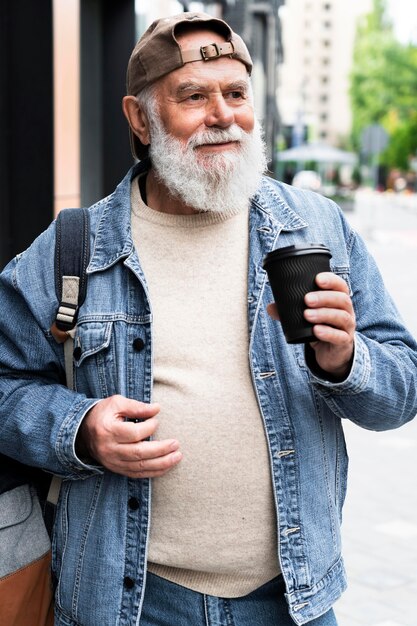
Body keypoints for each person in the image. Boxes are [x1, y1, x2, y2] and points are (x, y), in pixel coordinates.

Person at [0, 11, 416, 626]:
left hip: (292, 601)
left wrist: (346, 359)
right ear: (140, 118)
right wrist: (79, 428)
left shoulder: (316, 228)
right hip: (128, 605)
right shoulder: (75, 248)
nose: (222, 115)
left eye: (237, 93)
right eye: (193, 96)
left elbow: (401, 390)